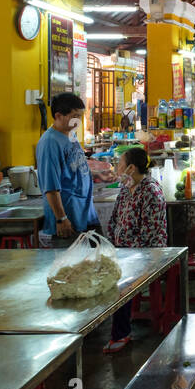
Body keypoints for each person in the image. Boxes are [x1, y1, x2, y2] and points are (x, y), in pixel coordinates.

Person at [103, 147, 167, 353]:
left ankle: (120, 333)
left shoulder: (151, 191)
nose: (116, 167)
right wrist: (113, 247)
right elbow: (113, 222)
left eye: (119, 163)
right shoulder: (126, 188)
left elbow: (150, 234)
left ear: (130, 168)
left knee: (120, 279)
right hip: (125, 250)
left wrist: (124, 254)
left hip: (148, 252)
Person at [36, 92, 99, 246]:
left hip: (84, 212)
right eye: (75, 116)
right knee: (73, 267)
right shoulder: (50, 143)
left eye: (81, 116)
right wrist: (61, 218)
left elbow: (75, 165)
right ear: (58, 116)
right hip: (69, 218)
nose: (79, 121)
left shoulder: (70, 134)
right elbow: (50, 187)